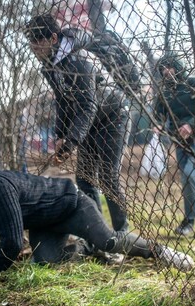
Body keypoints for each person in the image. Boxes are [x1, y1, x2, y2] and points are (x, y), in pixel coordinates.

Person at [0, 153, 194, 293]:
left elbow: (13, 243)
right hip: (44, 222)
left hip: (71, 204)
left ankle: (159, 251)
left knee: (109, 240)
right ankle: (88, 247)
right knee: (48, 261)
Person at [25, 14, 130, 234]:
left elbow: (88, 105)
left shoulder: (79, 59)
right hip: (88, 122)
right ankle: (100, 234)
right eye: (31, 42)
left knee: (108, 177)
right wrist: (61, 134)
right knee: (84, 179)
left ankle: (122, 234)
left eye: (38, 41)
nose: (33, 48)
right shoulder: (50, 65)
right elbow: (62, 100)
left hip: (113, 116)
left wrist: (71, 140)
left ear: (53, 38)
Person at [153, 53, 195, 242]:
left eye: (169, 67)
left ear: (178, 66)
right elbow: (158, 112)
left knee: (192, 175)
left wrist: (191, 124)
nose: (166, 72)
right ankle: (194, 224)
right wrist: (158, 122)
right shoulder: (165, 92)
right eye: (162, 69)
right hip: (179, 142)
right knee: (189, 180)